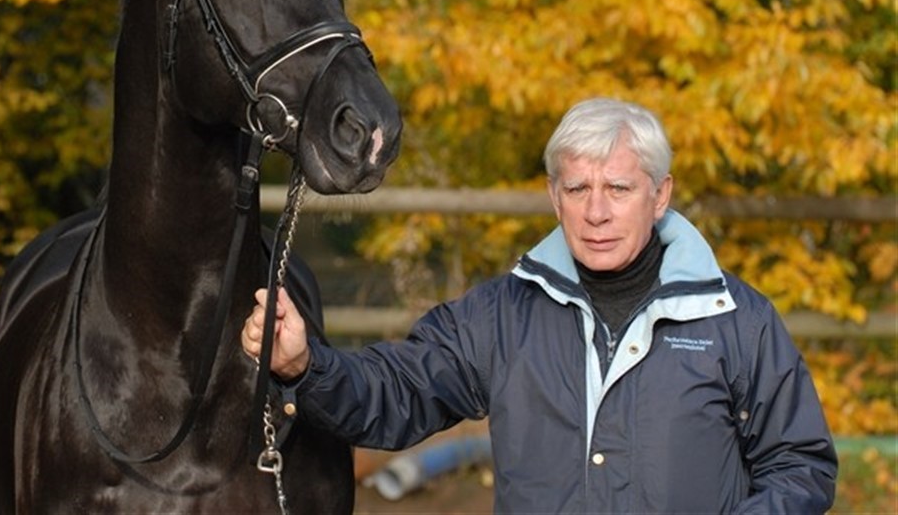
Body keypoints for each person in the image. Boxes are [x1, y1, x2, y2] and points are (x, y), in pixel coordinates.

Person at [242, 97, 837, 513]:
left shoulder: (735, 319)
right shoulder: (504, 315)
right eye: (578, 189)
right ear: (555, 197)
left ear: (659, 196)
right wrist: (305, 366)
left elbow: (800, 464)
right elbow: (399, 390)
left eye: (619, 189)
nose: (596, 212)